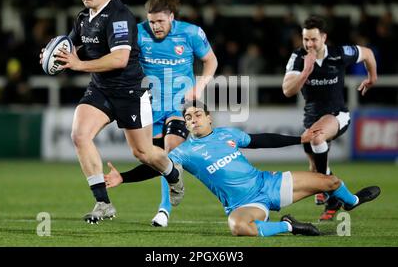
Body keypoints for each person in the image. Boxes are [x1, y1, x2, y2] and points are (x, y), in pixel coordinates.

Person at [104, 100, 381, 237]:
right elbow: (158, 168)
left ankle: (352, 201)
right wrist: (124, 178)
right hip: (244, 204)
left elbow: (262, 140)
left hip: (268, 184)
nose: (193, 119)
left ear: (209, 117)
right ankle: (289, 226)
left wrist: (301, 139)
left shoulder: (227, 134)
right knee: (238, 227)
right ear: (186, 125)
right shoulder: (184, 152)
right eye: (188, 118)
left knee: (330, 182)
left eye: (198, 114)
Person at [39, 0, 184, 224]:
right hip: (100, 89)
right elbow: (71, 48)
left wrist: (78, 64)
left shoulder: (119, 15)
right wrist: (54, 56)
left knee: (143, 153)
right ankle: (103, 203)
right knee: (79, 135)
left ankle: (173, 173)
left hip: (130, 91)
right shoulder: (84, 17)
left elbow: (119, 59)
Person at [121, 0, 217, 227]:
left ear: (171, 17)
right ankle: (176, 178)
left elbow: (211, 60)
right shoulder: (139, 33)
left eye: (160, 21)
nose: (155, 26)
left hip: (179, 105)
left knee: (171, 149)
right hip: (149, 105)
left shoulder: (191, 33)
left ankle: (163, 210)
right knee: (153, 158)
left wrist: (200, 86)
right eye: (151, 21)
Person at [282, 15, 378, 221]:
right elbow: (287, 90)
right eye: (305, 39)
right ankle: (337, 199)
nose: (309, 44)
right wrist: (306, 71)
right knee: (315, 166)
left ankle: (325, 186)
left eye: (313, 39)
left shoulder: (339, 53)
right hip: (311, 120)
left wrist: (372, 78)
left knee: (317, 139)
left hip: (337, 115)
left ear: (324, 37)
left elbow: (368, 53)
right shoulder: (298, 58)